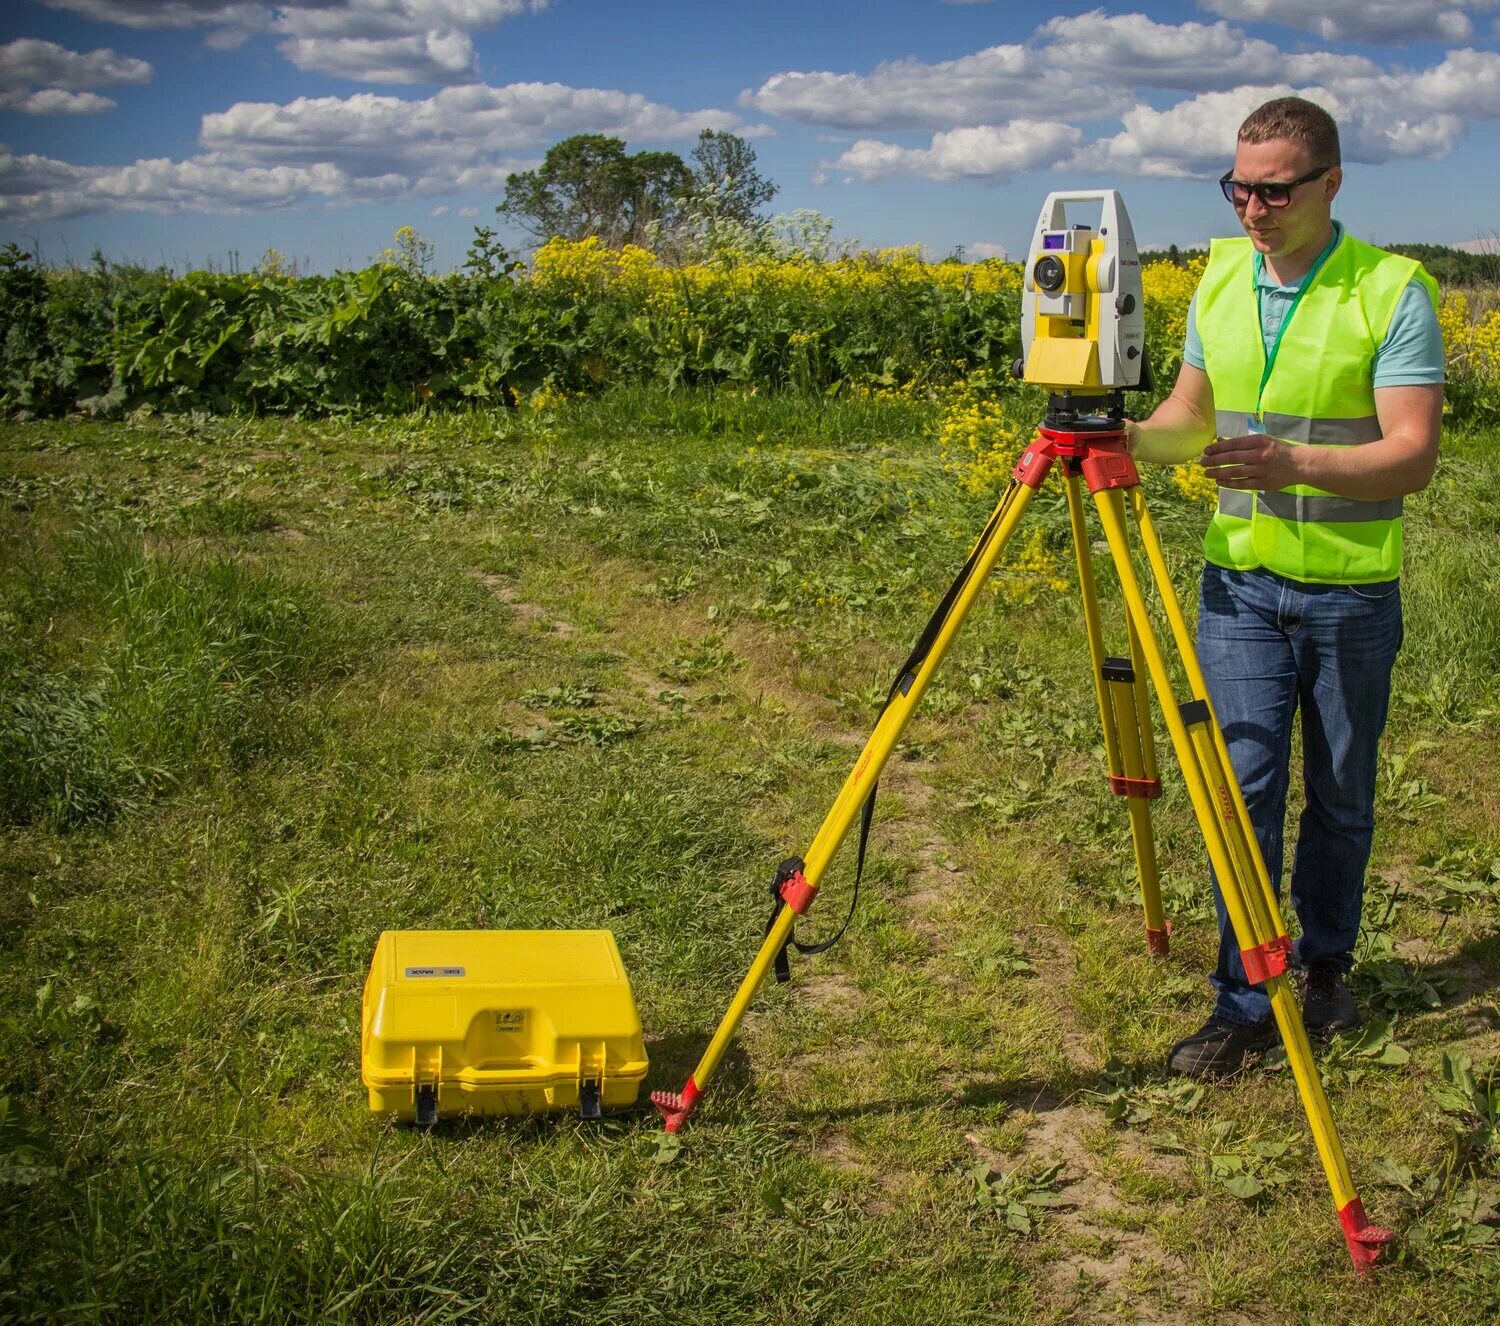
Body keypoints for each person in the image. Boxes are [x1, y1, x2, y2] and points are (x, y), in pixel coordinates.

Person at [1126, 96, 1445, 1079]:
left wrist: (1293, 465)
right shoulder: (1218, 279)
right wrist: (1121, 439)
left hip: (1350, 595)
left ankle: (1324, 970)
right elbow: (1190, 414)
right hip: (1241, 587)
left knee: (1341, 798)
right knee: (1242, 792)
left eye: (1273, 190)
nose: (1251, 209)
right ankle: (1244, 1003)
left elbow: (1413, 456)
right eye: (1238, 188)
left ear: (1330, 184)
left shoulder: (1389, 290)